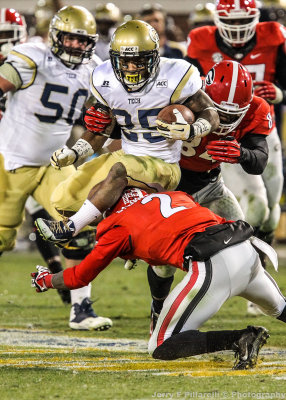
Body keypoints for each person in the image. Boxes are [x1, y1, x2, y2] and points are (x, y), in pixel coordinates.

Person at [31, 188, 286, 369]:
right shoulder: (173, 195)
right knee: (281, 308)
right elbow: (162, 233)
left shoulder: (117, 226)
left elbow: (80, 276)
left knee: (161, 346)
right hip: (247, 249)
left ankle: (241, 338)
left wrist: (47, 280)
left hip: (213, 262)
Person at [34, 19, 219, 244]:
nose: (131, 68)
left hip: (163, 163)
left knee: (120, 170)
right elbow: (99, 130)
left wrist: (192, 129)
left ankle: (70, 229)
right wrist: (74, 153)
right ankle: (122, 230)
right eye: (125, 61)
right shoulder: (105, 78)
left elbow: (210, 111)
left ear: (154, 57)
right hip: (127, 155)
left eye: (139, 61)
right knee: (64, 199)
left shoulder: (175, 75)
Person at [0, 5, 112, 331]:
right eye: (70, 39)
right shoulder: (32, 55)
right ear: (55, 36)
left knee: (79, 223)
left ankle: (81, 309)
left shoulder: (95, 69)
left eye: (82, 41)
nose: (76, 46)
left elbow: (104, 118)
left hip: (55, 162)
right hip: (12, 160)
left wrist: (90, 144)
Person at [146, 59, 272, 325]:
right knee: (163, 262)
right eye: (220, 113)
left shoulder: (257, 109)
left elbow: (259, 160)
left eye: (232, 114)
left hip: (212, 185)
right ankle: (158, 310)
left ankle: (275, 304)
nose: (224, 120)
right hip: (173, 188)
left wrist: (242, 153)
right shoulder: (184, 95)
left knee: (244, 242)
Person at [186, 0, 286, 252]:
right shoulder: (201, 41)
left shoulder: (274, 36)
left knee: (273, 205)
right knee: (256, 207)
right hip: (222, 133)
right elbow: (185, 89)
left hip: (260, 126)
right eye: (231, 21)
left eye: (243, 20)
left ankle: (261, 252)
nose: (238, 27)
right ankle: (248, 258)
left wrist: (281, 92)